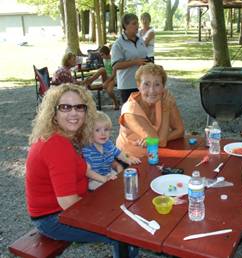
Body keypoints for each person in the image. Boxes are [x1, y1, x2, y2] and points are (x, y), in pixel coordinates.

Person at [25, 84, 137, 258]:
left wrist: (112, 171)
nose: (74, 113)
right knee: (123, 227)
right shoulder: (57, 146)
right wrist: (102, 209)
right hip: (53, 218)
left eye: (79, 107)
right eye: (65, 107)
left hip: (66, 207)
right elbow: (68, 203)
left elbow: (83, 167)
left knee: (124, 211)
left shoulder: (65, 136)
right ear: (53, 112)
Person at [116, 63, 184, 158]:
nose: (152, 90)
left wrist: (159, 140)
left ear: (163, 87)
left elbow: (180, 131)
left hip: (156, 155)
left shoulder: (164, 99)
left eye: (157, 84)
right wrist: (166, 109)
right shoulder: (130, 110)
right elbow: (160, 142)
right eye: (146, 84)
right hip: (129, 160)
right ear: (138, 85)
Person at [82, 111, 141, 190]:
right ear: (89, 133)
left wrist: (129, 159)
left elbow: (120, 154)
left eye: (106, 129)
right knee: (111, 187)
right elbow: (87, 171)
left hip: (109, 173)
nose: (103, 133)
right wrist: (104, 179)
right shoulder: (87, 150)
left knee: (123, 181)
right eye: (97, 130)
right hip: (95, 179)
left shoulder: (108, 144)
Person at [111, 13, 149, 103]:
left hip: (143, 83)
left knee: (144, 113)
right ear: (125, 25)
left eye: (137, 23)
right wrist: (135, 62)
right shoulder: (118, 44)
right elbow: (115, 65)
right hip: (127, 85)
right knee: (131, 114)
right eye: (134, 23)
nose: (137, 26)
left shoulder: (140, 40)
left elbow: (144, 57)